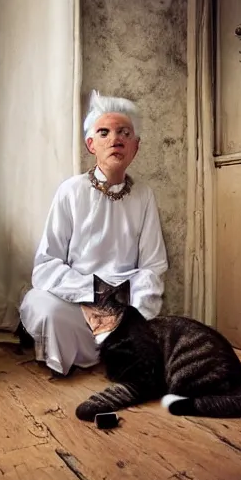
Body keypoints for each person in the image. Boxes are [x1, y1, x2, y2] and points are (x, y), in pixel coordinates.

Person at [18, 90, 168, 376]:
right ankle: (98, 352)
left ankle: (121, 341)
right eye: (104, 132)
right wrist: (93, 292)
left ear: (135, 147)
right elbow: (46, 265)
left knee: (152, 333)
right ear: (91, 145)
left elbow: (153, 266)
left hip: (122, 305)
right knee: (42, 306)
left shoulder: (144, 196)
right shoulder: (71, 191)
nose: (115, 140)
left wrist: (135, 313)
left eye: (124, 133)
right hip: (74, 300)